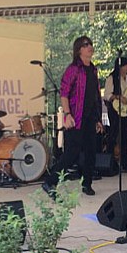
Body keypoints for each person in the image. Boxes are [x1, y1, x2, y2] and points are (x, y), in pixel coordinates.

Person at [43, 36, 104, 197]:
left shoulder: (93, 69)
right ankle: (50, 182)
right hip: (75, 117)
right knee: (72, 154)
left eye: (91, 44)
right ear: (79, 50)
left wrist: (98, 119)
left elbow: (96, 95)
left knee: (91, 152)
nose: (90, 46)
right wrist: (67, 114)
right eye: (86, 45)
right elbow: (64, 93)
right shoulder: (73, 69)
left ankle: (87, 184)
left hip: (90, 117)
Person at [103, 56, 127, 172]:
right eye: (126, 65)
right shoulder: (112, 78)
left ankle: (125, 163)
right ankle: (109, 163)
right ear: (120, 66)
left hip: (126, 110)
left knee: (125, 135)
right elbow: (106, 95)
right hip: (115, 110)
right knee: (113, 135)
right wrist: (118, 97)